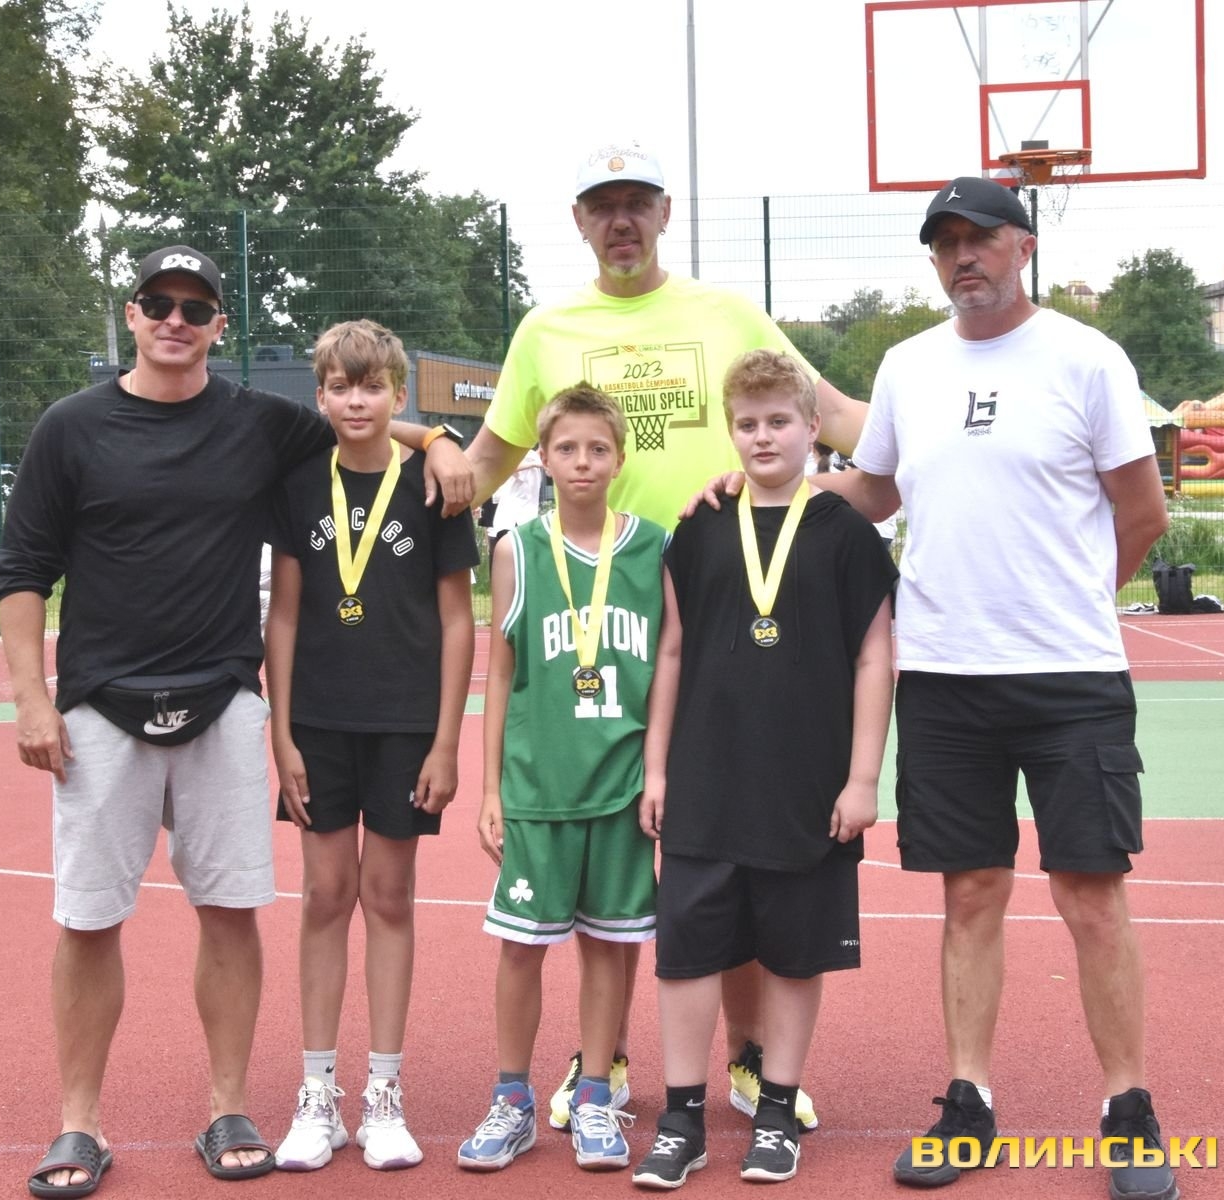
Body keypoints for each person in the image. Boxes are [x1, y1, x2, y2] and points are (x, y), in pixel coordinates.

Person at [0, 246, 471, 1199]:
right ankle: (78, 1122)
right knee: (89, 920)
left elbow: (363, 419)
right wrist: (30, 698)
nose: (176, 319)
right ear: (131, 315)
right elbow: (21, 569)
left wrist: (442, 440)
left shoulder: (258, 422)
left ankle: (228, 1107)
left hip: (220, 700)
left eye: (195, 307)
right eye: (159, 303)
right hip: (99, 707)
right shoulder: (70, 426)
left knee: (229, 912)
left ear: (220, 325)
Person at [465, 137, 871, 1134]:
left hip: (722, 619)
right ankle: (598, 1058)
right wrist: (407, 446)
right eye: (603, 204)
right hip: (592, 628)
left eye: (637, 200)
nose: (622, 220)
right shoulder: (545, 330)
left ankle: (746, 1056)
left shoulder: (728, 315)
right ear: (578, 220)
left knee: (735, 843)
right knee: (607, 845)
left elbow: (835, 419)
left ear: (665, 211)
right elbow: (481, 465)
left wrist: (956, 429)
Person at [820, 177, 1175, 1199]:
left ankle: (1128, 1107)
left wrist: (1071, 602)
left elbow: (1142, 511)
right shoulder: (908, 366)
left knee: (1091, 894)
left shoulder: (1087, 359)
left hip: (1071, 678)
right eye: (944, 243)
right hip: (944, 677)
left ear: (1023, 246)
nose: (962, 256)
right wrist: (777, 489)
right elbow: (875, 489)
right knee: (969, 893)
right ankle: (967, 1100)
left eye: (979, 237)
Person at [633, 350, 894, 1188]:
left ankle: (776, 1109)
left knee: (792, 954)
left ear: (814, 429)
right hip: (705, 777)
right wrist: (656, 769)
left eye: (779, 421)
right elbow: (672, 650)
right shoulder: (701, 527)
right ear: (730, 431)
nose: (763, 437)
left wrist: (863, 779)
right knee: (686, 953)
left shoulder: (846, 533)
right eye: (747, 424)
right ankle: (682, 1119)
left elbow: (874, 659)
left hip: (807, 784)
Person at [265, 320, 477, 1172]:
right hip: (317, 723)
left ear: (399, 394)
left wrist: (447, 742)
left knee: (389, 896)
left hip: (404, 724)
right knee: (324, 894)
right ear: (320, 395)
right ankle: (317, 1092)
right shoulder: (297, 481)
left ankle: (384, 1092)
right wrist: (280, 734)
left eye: (373, 387)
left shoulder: (434, 484)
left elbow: (458, 620)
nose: (357, 401)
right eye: (341, 387)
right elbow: (283, 614)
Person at [457, 384, 669, 1173]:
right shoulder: (516, 549)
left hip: (619, 789)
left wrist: (657, 770)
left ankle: (594, 1096)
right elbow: (501, 677)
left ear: (620, 457)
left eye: (597, 448)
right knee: (521, 948)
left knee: (609, 948)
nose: (583, 462)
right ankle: (511, 1098)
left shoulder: (654, 549)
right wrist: (490, 789)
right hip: (538, 790)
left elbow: (669, 666)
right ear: (542, 458)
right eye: (567, 448)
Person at [487, 447, 545, 553]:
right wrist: (534, 464)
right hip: (513, 521)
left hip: (525, 519)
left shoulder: (537, 461)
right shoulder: (529, 456)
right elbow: (510, 468)